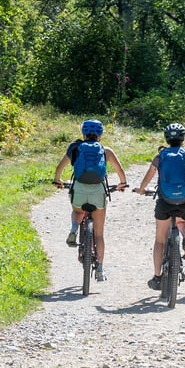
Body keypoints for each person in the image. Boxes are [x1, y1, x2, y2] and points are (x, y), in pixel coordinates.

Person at [136, 121, 185, 290]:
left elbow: (149, 175)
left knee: (160, 240)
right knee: (183, 220)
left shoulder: (160, 156)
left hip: (165, 202)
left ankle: (157, 277)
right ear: (183, 139)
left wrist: (141, 189)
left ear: (166, 139)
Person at [53, 119, 128, 282]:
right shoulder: (105, 150)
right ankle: (100, 269)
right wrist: (122, 183)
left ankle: (74, 229)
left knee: (77, 210)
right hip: (98, 192)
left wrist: (58, 180)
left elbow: (60, 168)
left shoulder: (76, 148)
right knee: (99, 234)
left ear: (83, 133)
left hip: (79, 189)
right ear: (100, 134)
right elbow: (120, 170)